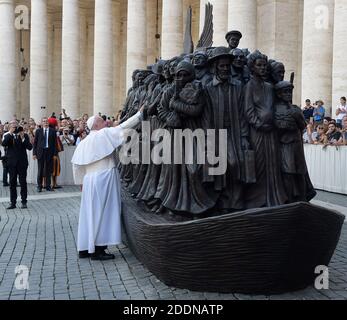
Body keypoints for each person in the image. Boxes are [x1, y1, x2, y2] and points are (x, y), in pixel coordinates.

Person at [71, 108, 144, 260]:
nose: (106, 122)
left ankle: (85, 248)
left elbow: (76, 166)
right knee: (103, 213)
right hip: (104, 177)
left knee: (89, 214)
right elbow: (123, 128)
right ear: (97, 125)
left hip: (89, 180)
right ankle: (98, 249)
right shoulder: (102, 134)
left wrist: (81, 182)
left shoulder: (84, 143)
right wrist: (139, 114)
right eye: (103, 120)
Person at [2, 121, 32, 209]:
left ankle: (24, 202)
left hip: (22, 163)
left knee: (23, 183)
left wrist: (23, 138)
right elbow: (3, 144)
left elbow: (30, 147)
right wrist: (10, 133)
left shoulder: (24, 135)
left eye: (16, 124)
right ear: (10, 126)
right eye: (12, 124)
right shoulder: (7, 135)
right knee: (12, 183)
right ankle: (13, 203)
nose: (14, 126)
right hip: (11, 163)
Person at [33, 117, 57, 192]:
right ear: (41, 123)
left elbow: (55, 143)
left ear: (48, 122)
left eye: (46, 121)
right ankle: (39, 186)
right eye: (44, 121)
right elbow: (35, 143)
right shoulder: (38, 131)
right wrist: (34, 153)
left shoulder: (53, 131)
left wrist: (55, 154)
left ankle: (48, 186)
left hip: (49, 152)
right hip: (40, 152)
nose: (45, 122)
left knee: (48, 170)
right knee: (40, 170)